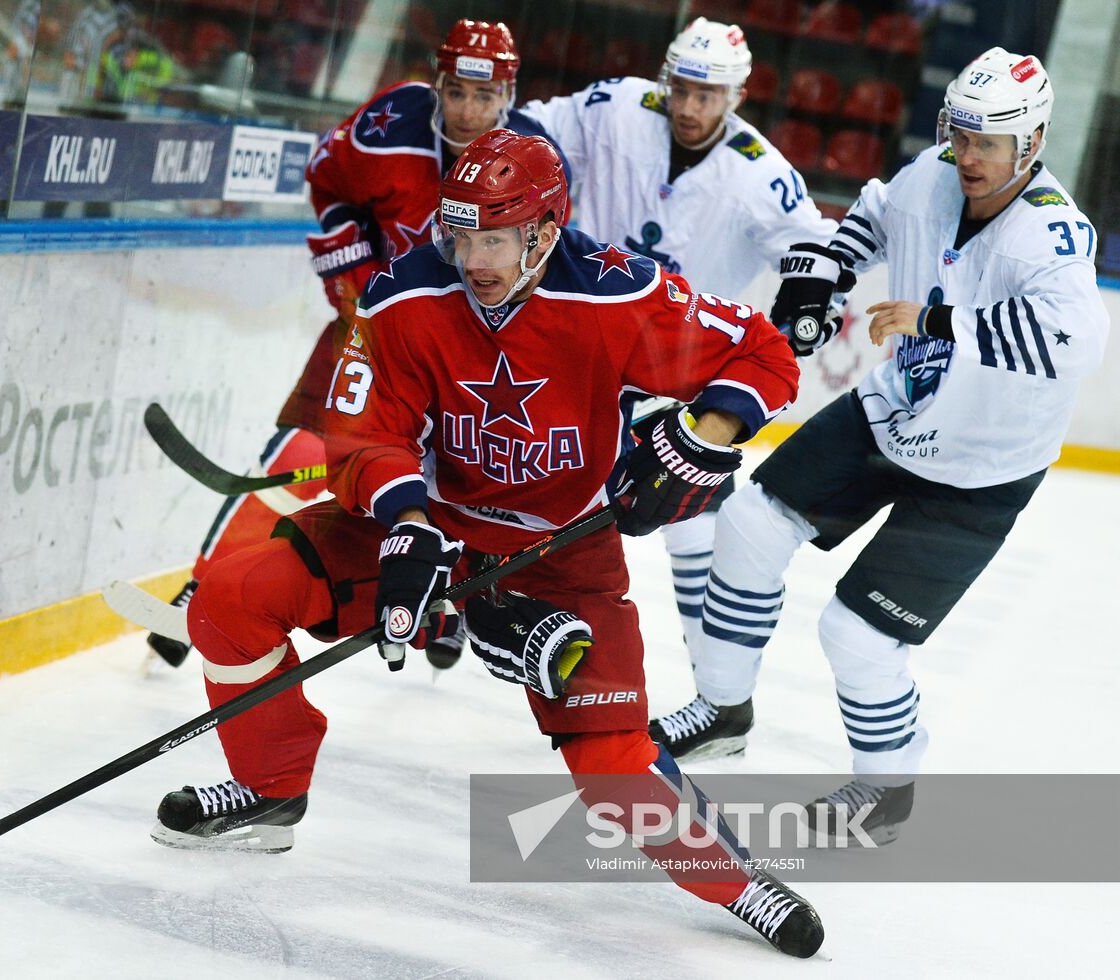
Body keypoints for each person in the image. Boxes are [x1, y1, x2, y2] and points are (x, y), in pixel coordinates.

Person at [151, 130, 823, 958]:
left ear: (543, 231)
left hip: (563, 552)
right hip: (426, 529)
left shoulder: (617, 295)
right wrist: (405, 521)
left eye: (493, 238)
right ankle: (268, 789)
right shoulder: (403, 296)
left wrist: (702, 435)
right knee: (231, 597)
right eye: (460, 234)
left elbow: (764, 353)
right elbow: (362, 434)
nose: (472, 257)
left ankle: (739, 880)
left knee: (614, 771)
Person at [647, 48, 1109, 842]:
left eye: (985, 143)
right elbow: (867, 221)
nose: (965, 156)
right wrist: (820, 273)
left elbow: (1075, 343)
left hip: (980, 470)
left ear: (1030, 145)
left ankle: (887, 786)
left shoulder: (1055, 235)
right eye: (958, 135)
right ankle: (724, 707)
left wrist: (937, 322)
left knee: (856, 636)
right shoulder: (933, 173)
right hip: (892, 414)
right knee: (750, 521)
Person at [147, 20, 568, 673]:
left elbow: (548, 261)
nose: (468, 110)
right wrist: (350, 266)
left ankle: (448, 603)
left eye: (485, 98)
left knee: (454, 479)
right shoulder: (390, 122)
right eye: (457, 92)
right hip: (370, 324)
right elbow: (327, 178)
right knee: (298, 450)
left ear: (509, 93)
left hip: (465, 352)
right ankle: (205, 582)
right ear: (438, 81)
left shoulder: (535, 157)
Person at [520, 17, 836, 683]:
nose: (689, 108)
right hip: (571, 348)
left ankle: (715, 688)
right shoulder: (616, 106)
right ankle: (466, 606)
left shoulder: (762, 174)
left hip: (675, 377)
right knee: (514, 481)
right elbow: (531, 126)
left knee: (693, 533)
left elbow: (814, 252)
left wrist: (807, 306)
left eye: (708, 96)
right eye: (682, 89)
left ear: (738, 96)